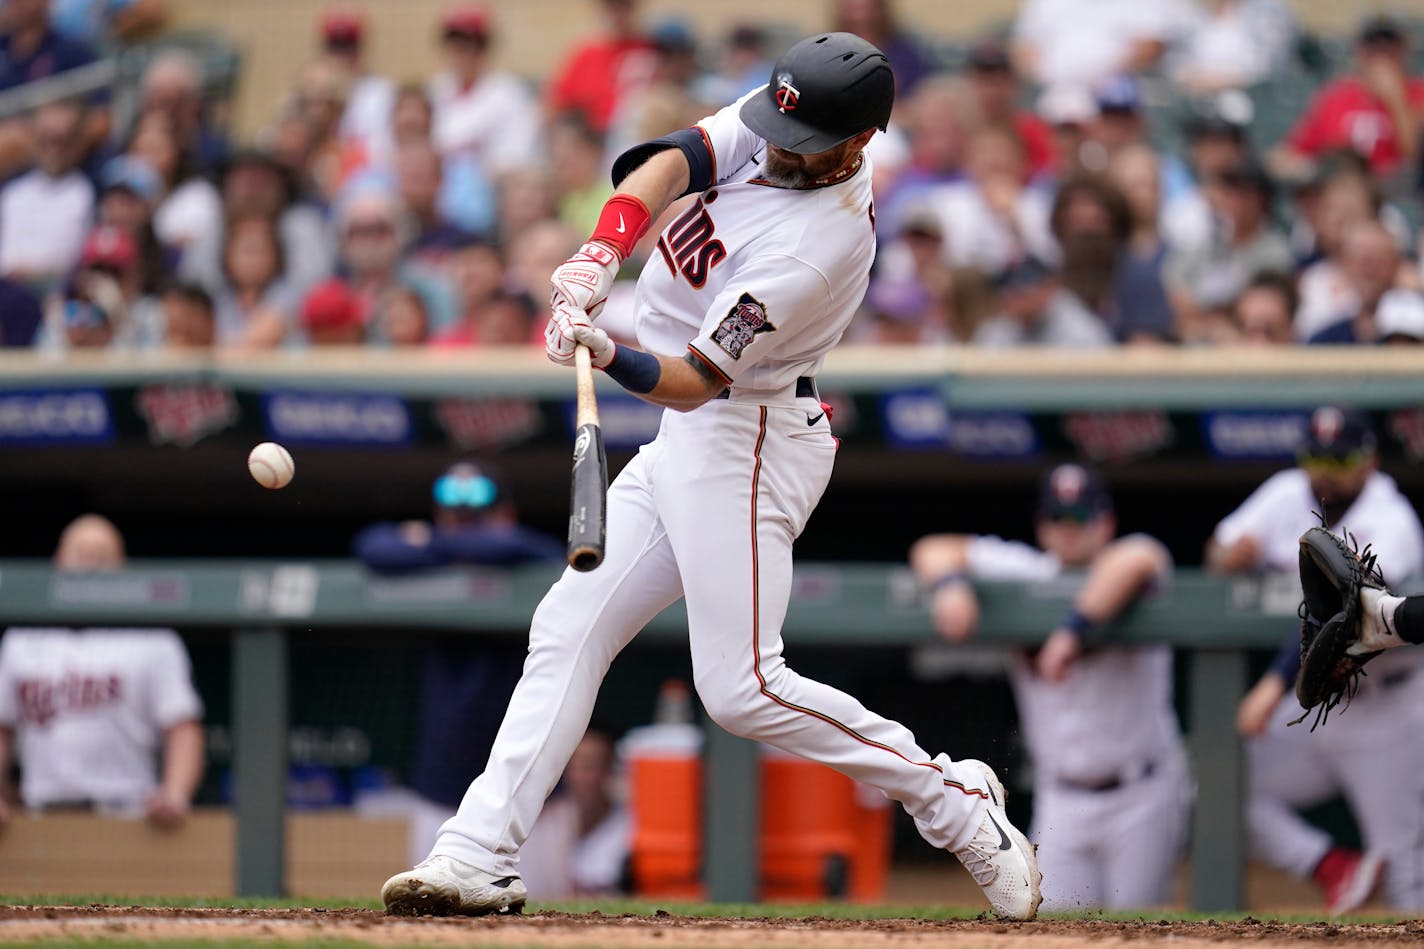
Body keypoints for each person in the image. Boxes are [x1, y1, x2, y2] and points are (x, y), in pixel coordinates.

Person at [381, 32, 1042, 921]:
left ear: (858, 145)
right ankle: (477, 850)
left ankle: (954, 801)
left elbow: (696, 382)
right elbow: (670, 162)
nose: (775, 147)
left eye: (801, 143)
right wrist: (600, 252)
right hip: (690, 437)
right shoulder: (785, 118)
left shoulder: (821, 245)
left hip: (749, 436)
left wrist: (607, 348)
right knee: (567, 625)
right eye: (776, 126)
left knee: (742, 687)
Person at [909, 464, 1188, 911]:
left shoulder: (1132, 559)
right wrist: (950, 586)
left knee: (1138, 928)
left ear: (1107, 522)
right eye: (1059, 517)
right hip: (1059, 798)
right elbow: (934, 548)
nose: (1070, 528)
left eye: (1082, 516)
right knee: (1050, 923)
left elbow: (1138, 559)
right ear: (1042, 524)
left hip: (1141, 793)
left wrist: (1072, 632)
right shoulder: (1025, 572)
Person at [1214, 407, 1424, 912]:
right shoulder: (1288, 492)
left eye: (1340, 457)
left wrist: (1270, 686)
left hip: (1386, 707)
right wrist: (1232, 555)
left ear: (1369, 459)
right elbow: (1217, 552)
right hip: (1321, 701)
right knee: (1223, 786)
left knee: (1404, 874)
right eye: (1316, 456)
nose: (1325, 470)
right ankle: (1330, 865)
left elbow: (1348, 612)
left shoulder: (1389, 516)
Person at [354, 461, 563, 863]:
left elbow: (515, 546)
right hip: (442, 787)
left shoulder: (530, 553)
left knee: (553, 918)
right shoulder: (432, 556)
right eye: (454, 517)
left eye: (478, 518)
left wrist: (429, 542)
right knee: (430, 911)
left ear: (506, 514)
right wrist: (458, 545)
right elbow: (373, 546)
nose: (465, 526)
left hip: (534, 791)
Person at [0, 515, 204, 828]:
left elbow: (182, 727)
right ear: (57, 562)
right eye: (81, 552)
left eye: (103, 554)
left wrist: (175, 793)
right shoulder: (21, 638)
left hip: (129, 814)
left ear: (123, 569)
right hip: (40, 813)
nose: (91, 562)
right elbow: (2, 727)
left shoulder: (152, 638)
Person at [1271, 15, 1424, 183]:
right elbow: (1289, 154)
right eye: (1374, 47)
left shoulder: (1418, 93)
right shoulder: (1337, 96)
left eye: (1389, 47)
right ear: (1360, 51)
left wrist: (1396, 100)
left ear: (1405, 51)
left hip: (1399, 190)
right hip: (1344, 187)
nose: (1381, 55)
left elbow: (1415, 154)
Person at [519, 726, 630, 898]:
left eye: (589, 766)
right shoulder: (536, 825)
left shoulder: (630, 827)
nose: (577, 776)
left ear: (609, 771)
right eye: (570, 767)